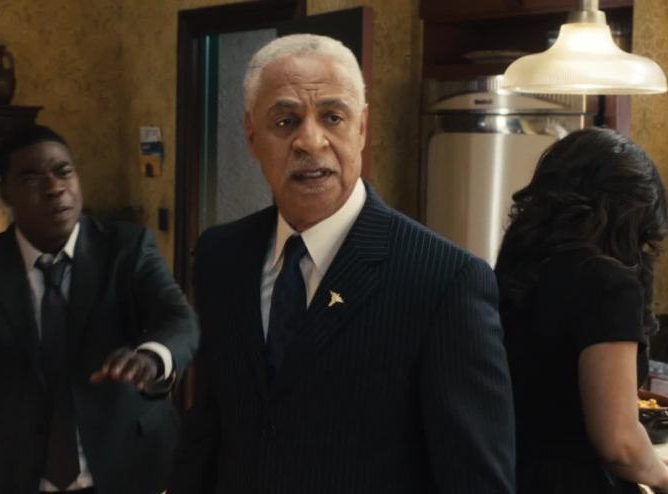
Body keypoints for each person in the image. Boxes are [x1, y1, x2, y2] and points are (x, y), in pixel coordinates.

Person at [171, 34, 515, 493]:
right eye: (286, 121)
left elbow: (477, 481)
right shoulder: (221, 256)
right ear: (251, 135)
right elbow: (209, 424)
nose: (310, 141)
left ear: (362, 127)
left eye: (333, 117)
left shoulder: (443, 281)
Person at [0, 125, 199, 494]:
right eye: (32, 177)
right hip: (6, 475)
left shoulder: (127, 249)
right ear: (5, 193)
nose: (54, 187)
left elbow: (179, 319)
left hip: (128, 467)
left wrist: (152, 356)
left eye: (64, 172)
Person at [494, 127, 668, 493]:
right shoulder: (608, 284)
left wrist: (652, 463)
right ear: (630, 214)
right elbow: (619, 443)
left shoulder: (520, 269)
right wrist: (665, 479)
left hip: (511, 473)